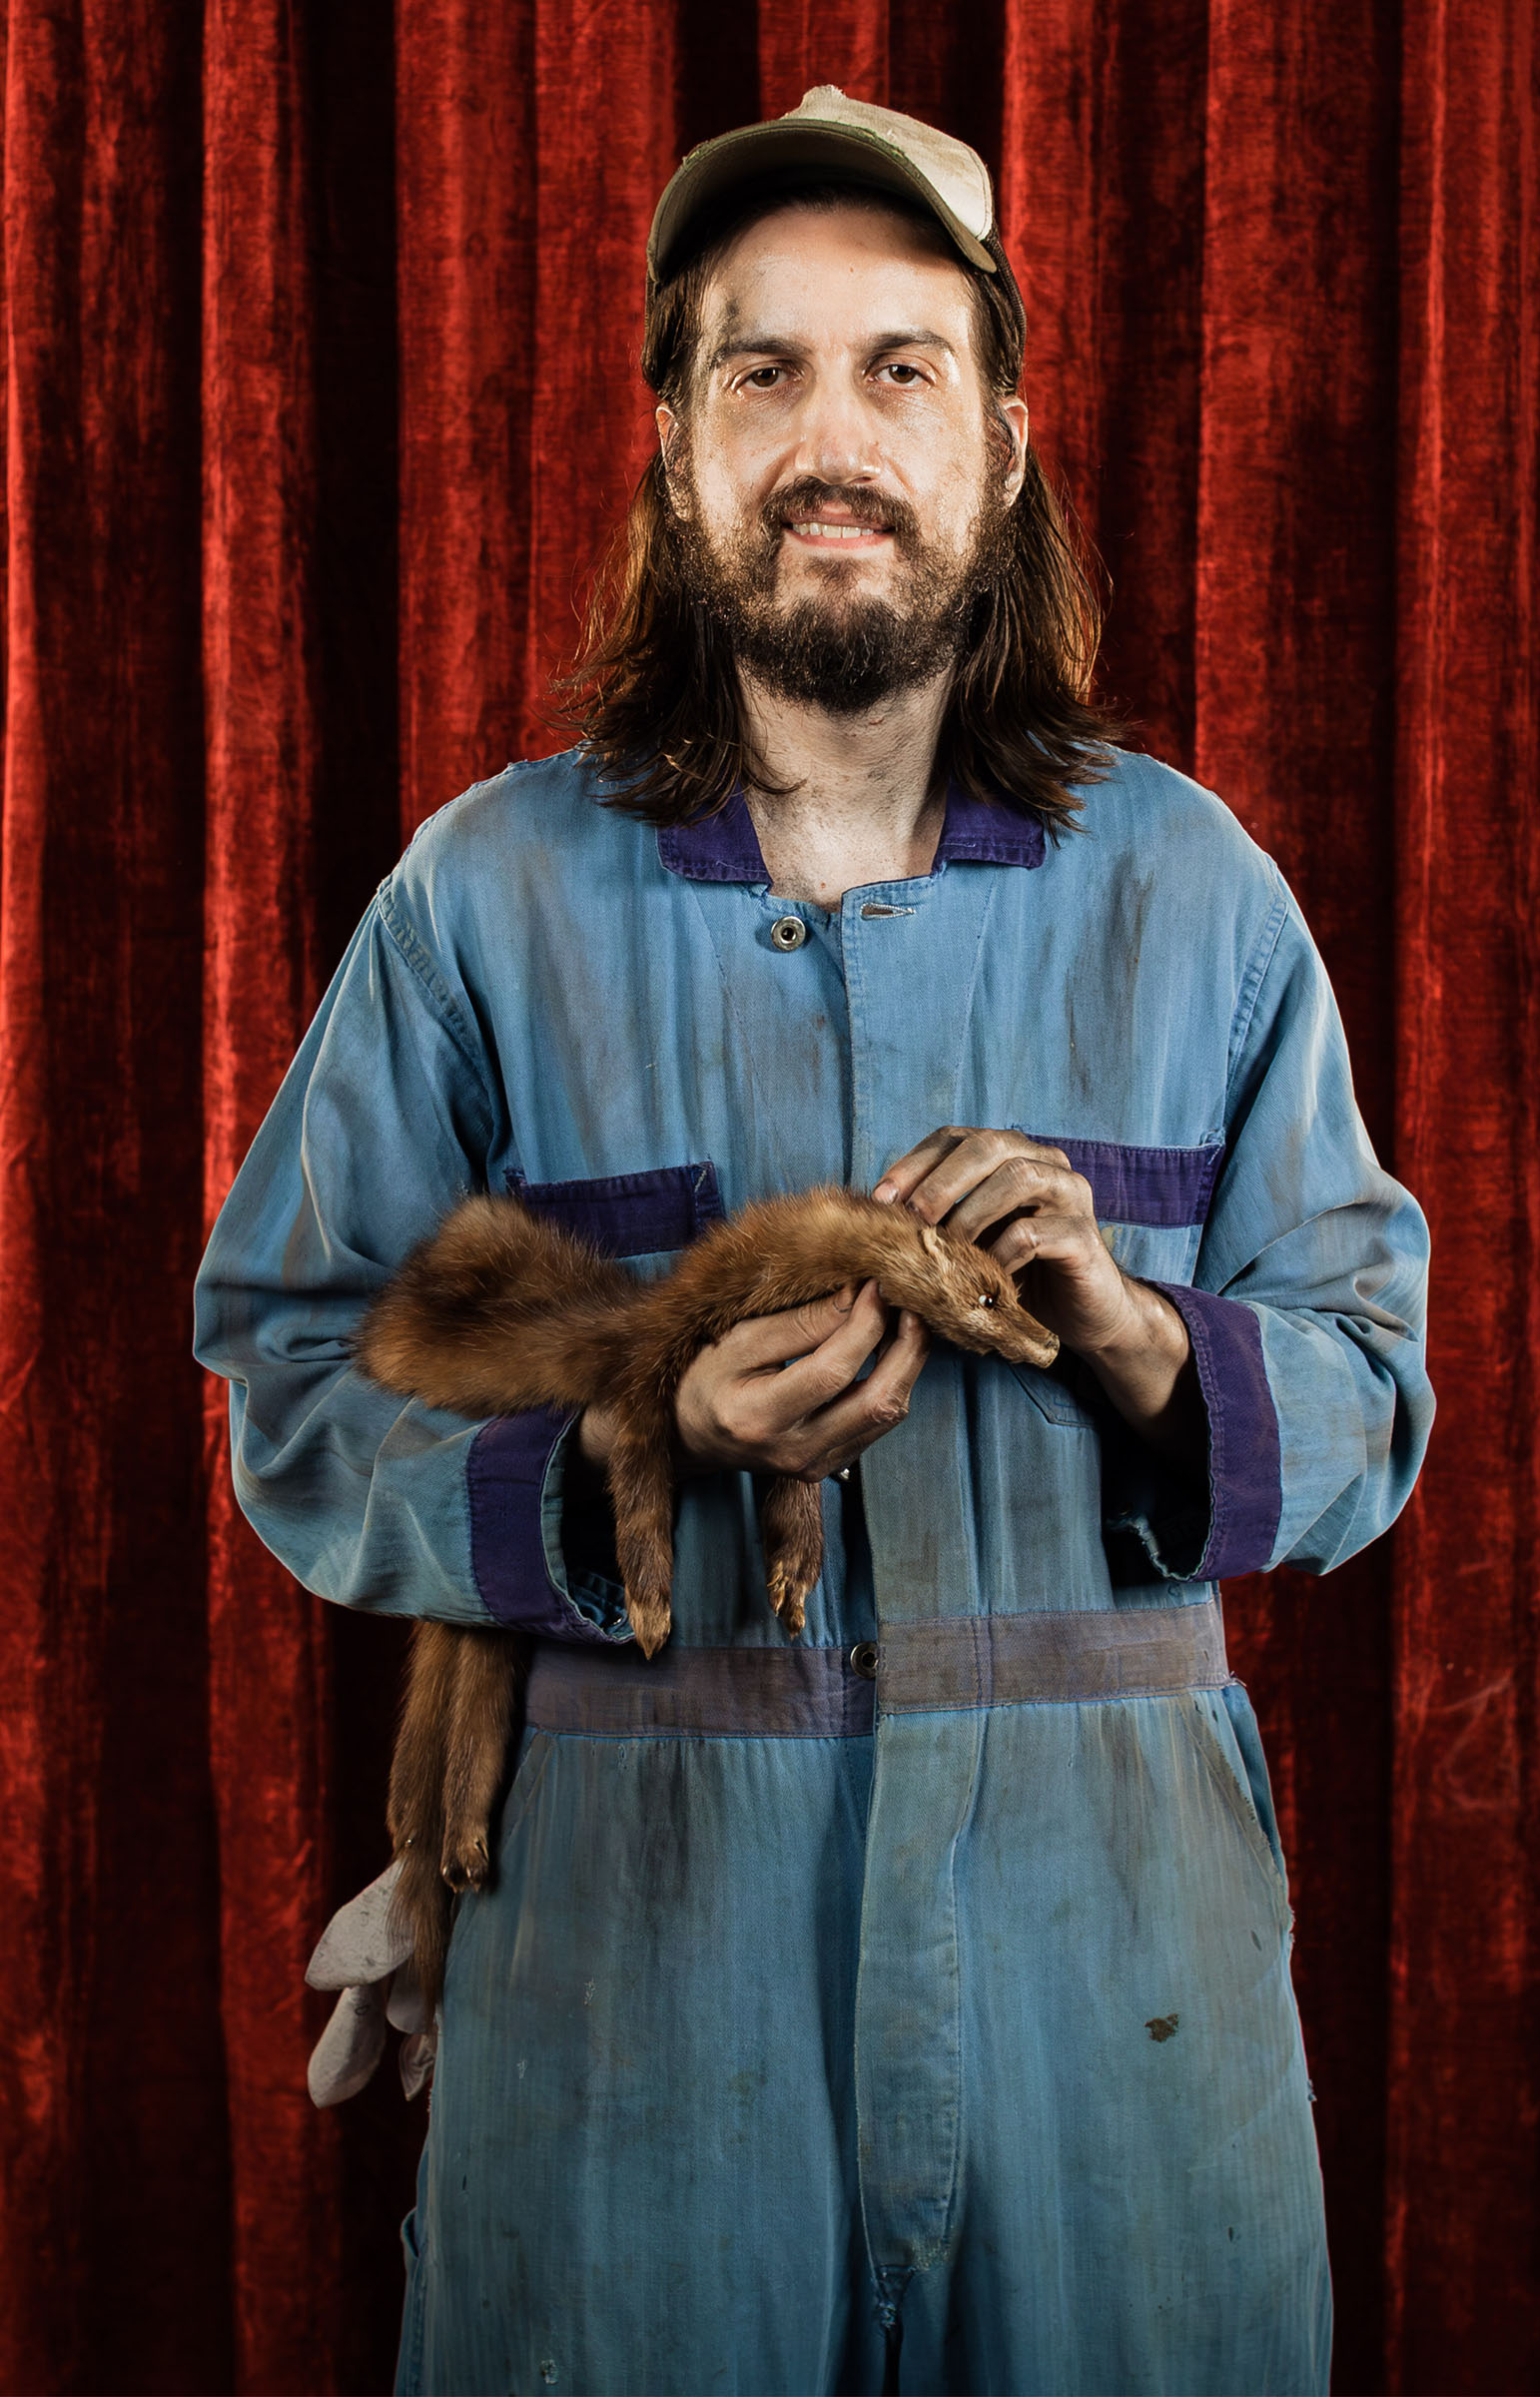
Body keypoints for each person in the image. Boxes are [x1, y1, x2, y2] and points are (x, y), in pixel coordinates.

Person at [194, 86, 1433, 2397]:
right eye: (756, 372)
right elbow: (289, 1363)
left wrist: (1143, 1348)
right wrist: (615, 1447)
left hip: (1115, 2018)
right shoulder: (483, 904)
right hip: (636, 2024)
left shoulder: (1194, 894)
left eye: (896, 368)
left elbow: (1370, 1382)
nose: (827, 435)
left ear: (1002, 438)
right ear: (675, 449)